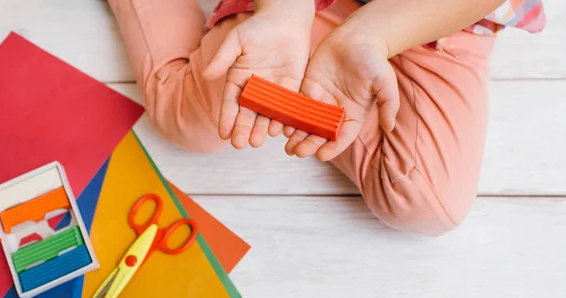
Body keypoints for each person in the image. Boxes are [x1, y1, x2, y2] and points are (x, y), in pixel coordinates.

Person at [107, 0, 545, 236]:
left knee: (427, 201)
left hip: (441, 13)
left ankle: (338, 55)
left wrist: (371, 35)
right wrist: (282, 14)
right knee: (190, 119)